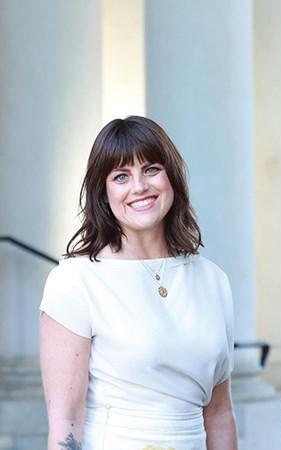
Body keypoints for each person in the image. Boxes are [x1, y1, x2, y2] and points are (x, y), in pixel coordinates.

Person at [39, 116, 238, 450]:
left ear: (171, 177)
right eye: (121, 176)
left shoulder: (212, 279)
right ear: (104, 193)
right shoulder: (76, 281)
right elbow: (65, 422)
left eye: (151, 169)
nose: (139, 187)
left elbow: (218, 414)